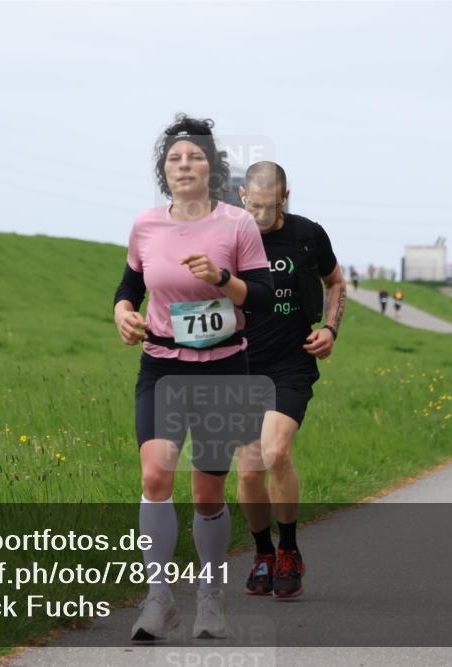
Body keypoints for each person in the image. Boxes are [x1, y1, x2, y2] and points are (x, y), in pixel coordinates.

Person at [113, 114, 273, 640]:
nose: (185, 164)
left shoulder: (238, 225)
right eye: (176, 157)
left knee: (207, 493)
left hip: (224, 366)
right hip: (161, 366)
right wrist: (122, 311)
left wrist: (222, 279)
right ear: (165, 170)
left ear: (212, 168)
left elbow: (264, 297)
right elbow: (130, 283)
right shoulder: (145, 225)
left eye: (196, 157)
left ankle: (209, 595)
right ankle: (158, 599)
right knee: (155, 478)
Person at [235, 161, 345, 599]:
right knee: (247, 473)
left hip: (291, 363)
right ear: (243, 195)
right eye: (253, 205)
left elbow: (335, 282)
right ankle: (262, 553)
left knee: (276, 451)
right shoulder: (229, 235)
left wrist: (331, 329)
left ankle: (289, 551)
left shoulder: (307, 235)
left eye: (269, 206)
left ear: (285, 196)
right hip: (240, 365)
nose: (260, 216)